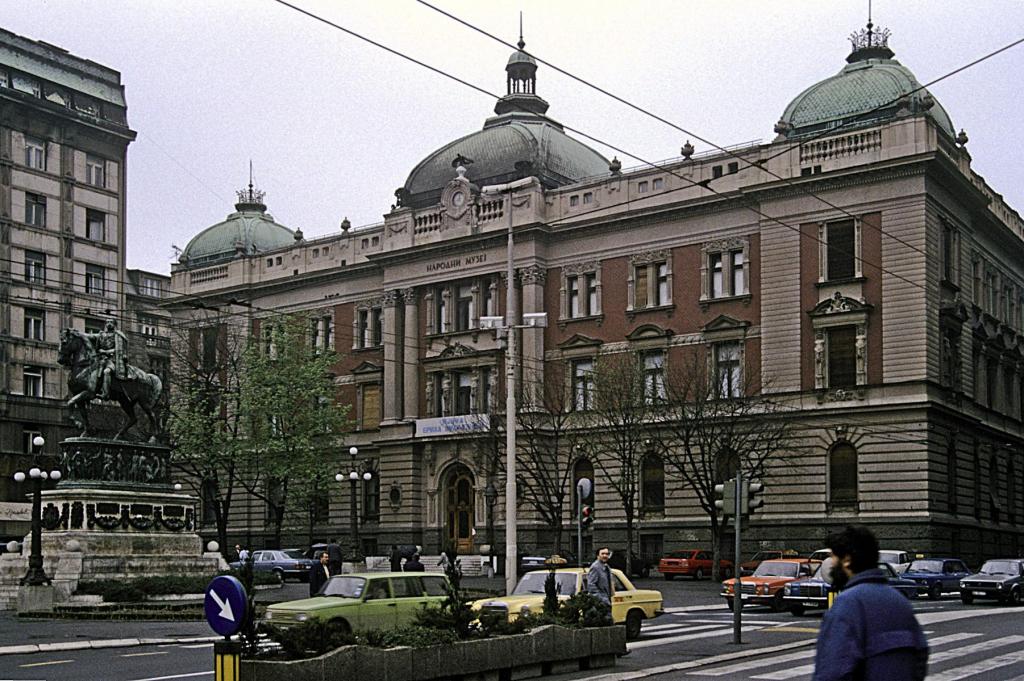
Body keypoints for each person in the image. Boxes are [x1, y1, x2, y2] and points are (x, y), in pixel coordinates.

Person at [812, 526, 928, 681]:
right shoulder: (900, 601)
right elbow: (920, 656)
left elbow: (832, 672)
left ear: (846, 560)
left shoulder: (847, 604)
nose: (831, 565)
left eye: (833, 557)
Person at [586, 546, 614, 622]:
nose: (605, 556)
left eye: (607, 554)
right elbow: (591, 585)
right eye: (602, 554)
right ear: (598, 556)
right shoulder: (595, 567)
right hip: (599, 603)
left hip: (606, 600)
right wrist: (603, 599)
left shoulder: (606, 567)